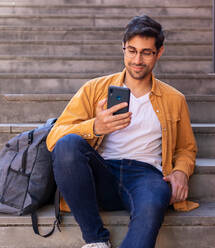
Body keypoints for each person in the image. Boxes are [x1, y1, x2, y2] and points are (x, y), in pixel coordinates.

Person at [46, 15, 198, 248]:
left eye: (146, 52)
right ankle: (96, 241)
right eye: (132, 50)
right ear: (123, 49)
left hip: (146, 176)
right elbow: (54, 138)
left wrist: (181, 172)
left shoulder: (174, 99)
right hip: (101, 173)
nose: (137, 59)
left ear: (159, 52)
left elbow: (186, 148)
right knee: (67, 145)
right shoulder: (94, 89)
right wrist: (95, 127)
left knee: (153, 203)